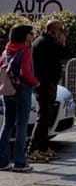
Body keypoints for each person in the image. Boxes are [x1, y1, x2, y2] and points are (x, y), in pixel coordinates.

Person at [0, 24, 39, 173]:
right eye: (31, 33)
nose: (33, 35)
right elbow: (26, 72)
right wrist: (36, 82)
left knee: (7, 124)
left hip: (8, 91)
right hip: (22, 90)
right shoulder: (25, 50)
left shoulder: (6, 50)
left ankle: (2, 161)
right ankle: (20, 162)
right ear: (24, 35)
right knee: (22, 125)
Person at [28, 20, 66, 162]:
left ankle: (43, 147)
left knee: (47, 117)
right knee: (43, 118)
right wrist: (61, 44)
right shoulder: (44, 43)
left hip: (49, 83)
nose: (62, 33)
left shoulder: (47, 42)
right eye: (60, 30)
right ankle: (32, 149)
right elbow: (55, 59)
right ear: (53, 31)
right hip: (45, 84)